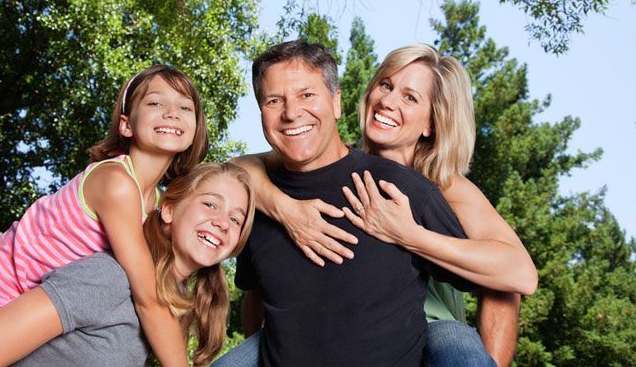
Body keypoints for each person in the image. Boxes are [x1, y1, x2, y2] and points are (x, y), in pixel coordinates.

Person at [223, 44, 537, 366]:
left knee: (457, 343)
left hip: (429, 325)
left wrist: (408, 234)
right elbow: (239, 167)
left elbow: (515, 279)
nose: (388, 102)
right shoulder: (330, 155)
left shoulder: (444, 185)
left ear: (430, 123)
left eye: (409, 97)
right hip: (327, 327)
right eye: (385, 85)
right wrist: (286, 210)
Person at [0, 64, 208, 365]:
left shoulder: (157, 202)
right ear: (126, 125)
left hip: (27, 312)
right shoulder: (116, 182)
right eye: (155, 103)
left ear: (194, 130)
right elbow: (148, 298)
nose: (171, 112)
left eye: (184, 107)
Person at [0, 162, 256, 367]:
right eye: (210, 204)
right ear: (168, 210)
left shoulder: (172, 315)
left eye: (235, 219)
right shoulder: (109, 277)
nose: (221, 223)